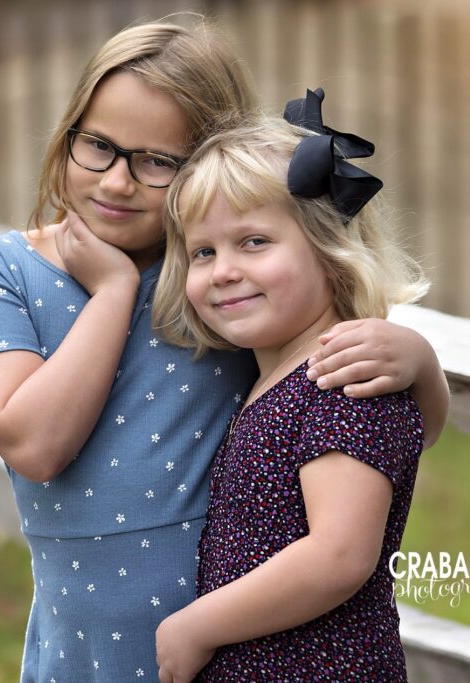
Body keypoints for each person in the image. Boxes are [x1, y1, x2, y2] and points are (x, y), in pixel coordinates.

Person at [0, 19, 448, 683]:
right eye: (99, 145)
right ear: (67, 133)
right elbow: (35, 444)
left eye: (157, 161)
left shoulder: (223, 293)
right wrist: (113, 291)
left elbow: (381, 434)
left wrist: (421, 364)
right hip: (88, 651)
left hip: (242, 648)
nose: (120, 181)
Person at [152, 92, 427, 682]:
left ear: (328, 251)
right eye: (204, 251)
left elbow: (339, 556)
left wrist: (195, 626)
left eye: (253, 241)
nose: (224, 269)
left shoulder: (341, 376)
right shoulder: (276, 379)